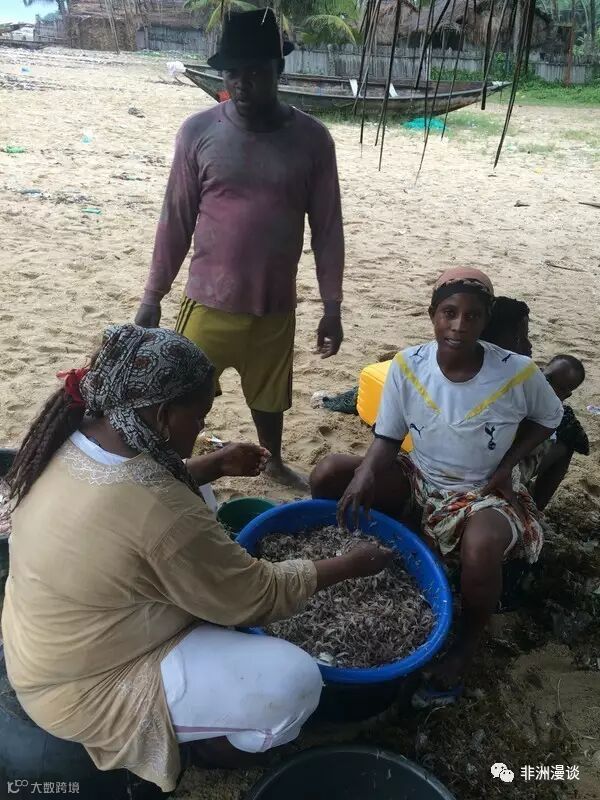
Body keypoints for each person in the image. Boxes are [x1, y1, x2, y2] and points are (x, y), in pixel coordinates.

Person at [1, 324, 391, 792]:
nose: (204, 426)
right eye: (200, 415)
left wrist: (212, 465)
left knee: (196, 492)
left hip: (49, 641)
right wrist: (351, 564)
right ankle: (213, 751)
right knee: (295, 682)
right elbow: (255, 595)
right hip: (87, 685)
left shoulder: (79, 432)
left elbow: (137, 499)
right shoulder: (160, 511)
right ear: (163, 414)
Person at [310, 268, 564, 698]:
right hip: (420, 476)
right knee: (329, 473)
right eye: (449, 313)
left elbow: (550, 417)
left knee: (481, 547)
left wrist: (508, 465)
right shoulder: (409, 365)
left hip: (482, 492)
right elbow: (387, 437)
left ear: (485, 320)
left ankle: (467, 643)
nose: (459, 325)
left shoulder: (517, 373)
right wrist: (365, 473)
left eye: (473, 315)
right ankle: (390, 548)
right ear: (432, 315)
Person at [135, 8, 345, 491]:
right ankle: (169, 464)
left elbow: (328, 228)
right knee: (183, 391)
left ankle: (273, 461)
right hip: (209, 301)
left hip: (275, 306)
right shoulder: (198, 132)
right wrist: (152, 296)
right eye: (233, 71)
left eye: (256, 71)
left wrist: (331, 306)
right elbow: (175, 219)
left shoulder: (313, 140)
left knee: (270, 396)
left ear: (279, 69)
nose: (243, 82)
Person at [481, 299, 588, 510]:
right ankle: (534, 511)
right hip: (489, 473)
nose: (529, 345)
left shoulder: (462, 361)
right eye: (520, 338)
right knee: (565, 444)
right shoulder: (518, 377)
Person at [521, 354, 589, 510]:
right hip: (498, 467)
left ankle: (535, 507)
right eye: (548, 379)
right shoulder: (521, 390)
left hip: (508, 463)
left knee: (567, 439)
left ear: (566, 395)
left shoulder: (554, 413)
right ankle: (535, 507)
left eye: (560, 389)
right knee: (566, 442)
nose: (549, 389)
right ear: (540, 372)